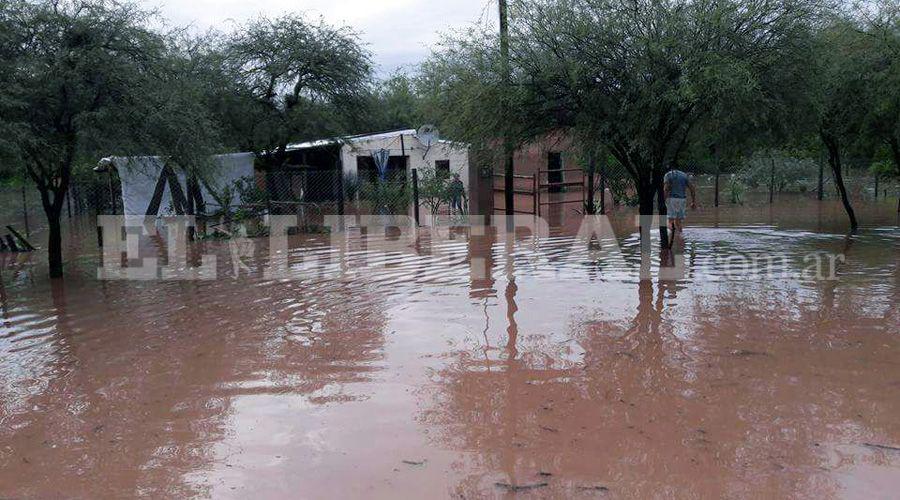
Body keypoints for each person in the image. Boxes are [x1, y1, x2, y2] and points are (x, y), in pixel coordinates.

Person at [663, 166, 697, 238]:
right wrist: (693, 201)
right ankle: (680, 238)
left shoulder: (668, 175)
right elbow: (692, 188)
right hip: (682, 200)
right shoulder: (684, 175)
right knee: (678, 222)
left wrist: (663, 200)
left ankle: (671, 238)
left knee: (670, 221)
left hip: (672, 199)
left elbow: (666, 189)